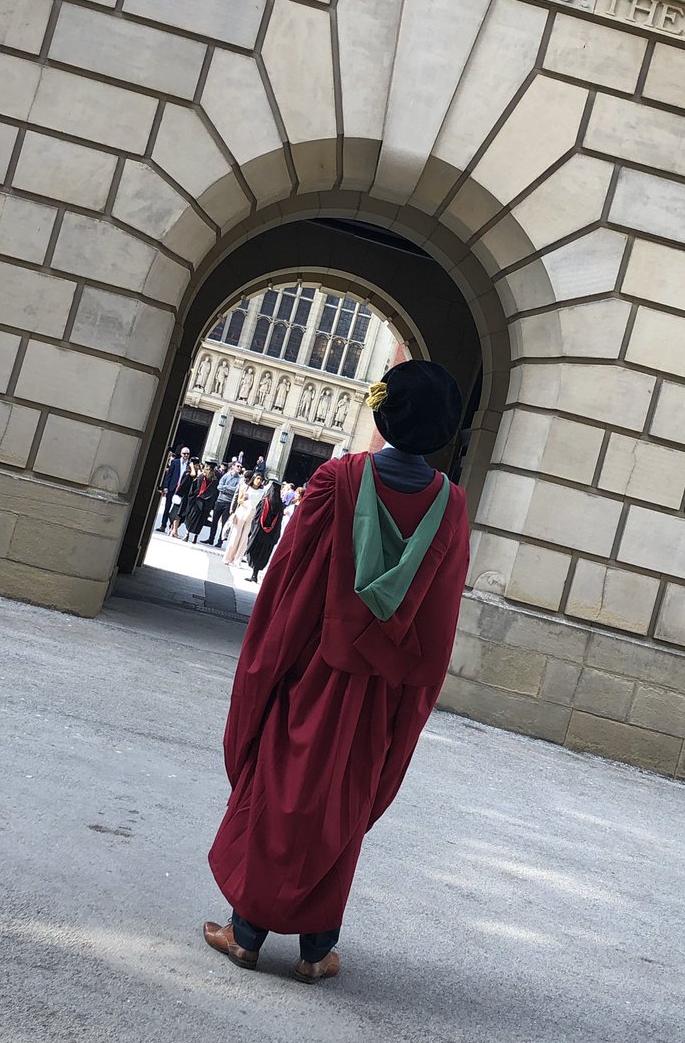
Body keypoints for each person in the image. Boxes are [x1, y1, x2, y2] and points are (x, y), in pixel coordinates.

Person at [204, 360, 469, 982]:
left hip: (314, 671)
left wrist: (271, 665)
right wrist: (410, 692)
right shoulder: (450, 507)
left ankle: (246, 935)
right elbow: (439, 619)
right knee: (342, 802)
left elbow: (290, 587)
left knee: (281, 788)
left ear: (383, 413)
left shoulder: (337, 480)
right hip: (377, 688)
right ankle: (317, 950)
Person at [244, 481, 283, 583]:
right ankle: (255, 574)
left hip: (259, 533)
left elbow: (256, 518)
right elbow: (278, 523)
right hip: (269, 537)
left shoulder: (264, 502)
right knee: (263, 554)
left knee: (255, 552)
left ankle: (254, 574)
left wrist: (252, 531)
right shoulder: (280, 506)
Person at [223, 473, 265, 566]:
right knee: (235, 535)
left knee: (244, 538)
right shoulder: (245, 487)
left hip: (252, 513)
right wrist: (247, 501)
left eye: (260, 479)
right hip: (242, 510)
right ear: (253, 478)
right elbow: (239, 500)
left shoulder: (262, 491)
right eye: (258, 478)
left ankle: (237, 560)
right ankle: (228, 557)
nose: (259, 481)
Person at [184, 460, 219, 543]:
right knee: (197, 520)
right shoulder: (203, 478)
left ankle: (189, 534)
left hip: (201, 502)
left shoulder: (212, 480)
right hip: (201, 502)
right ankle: (192, 536)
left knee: (195, 519)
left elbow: (213, 492)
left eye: (210, 469)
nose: (209, 471)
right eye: (208, 469)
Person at [158, 447, 189, 531]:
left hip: (181, 490)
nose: (186, 455)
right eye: (184, 453)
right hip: (172, 487)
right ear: (181, 454)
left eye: (187, 454)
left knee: (176, 510)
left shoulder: (189, 465)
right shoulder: (175, 462)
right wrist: (165, 487)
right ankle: (163, 525)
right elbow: (169, 475)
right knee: (167, 507)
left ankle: (172, 526)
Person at [211, 463, 242, 547]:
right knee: (214, 521)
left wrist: (225, 488)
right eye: (238, 466)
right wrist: (227, 488)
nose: (239, 468)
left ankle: (220, 541)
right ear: (233, 466)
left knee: (224, 523)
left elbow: (236, 490)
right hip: (220, 501)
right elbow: (219, 486)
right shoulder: (226, 476)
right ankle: (211, 538)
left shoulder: (240, 479)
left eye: (240, 467)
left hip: (228, 503)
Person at [168, 457, 199, 538]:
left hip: (185, 497)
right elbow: (192, 475)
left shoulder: (190, 474)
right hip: (182, 497)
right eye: (197, 465)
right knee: (178, 514)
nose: (198, 467)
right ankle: (174, 531)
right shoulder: (188, 473)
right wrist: (192, 466)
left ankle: (172, 529)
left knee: (179, 514)